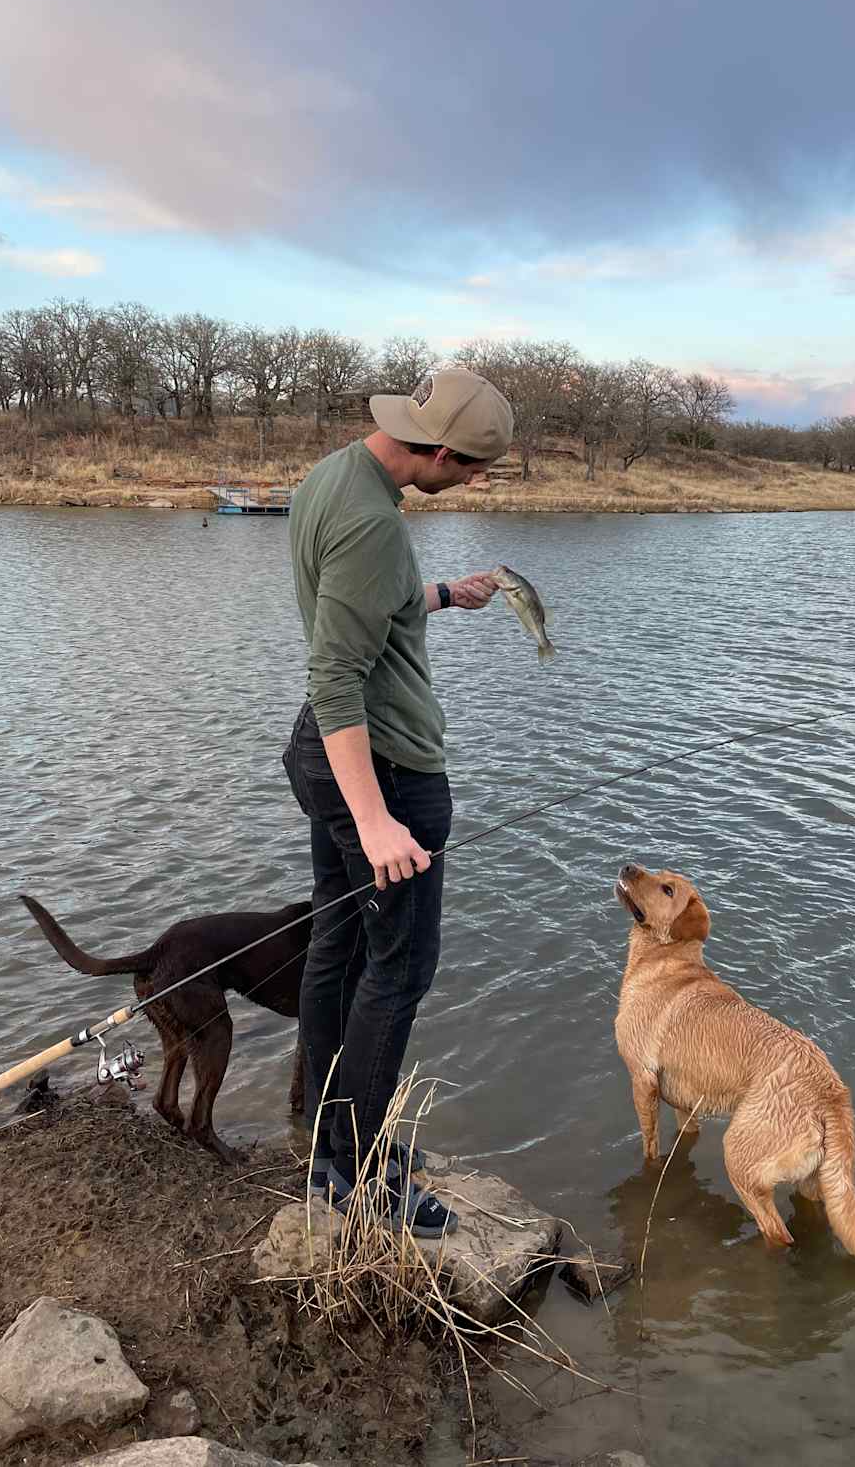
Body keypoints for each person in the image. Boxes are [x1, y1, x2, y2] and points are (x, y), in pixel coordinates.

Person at [282, 365, 514, 1236]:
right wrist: (377, 817)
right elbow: (335, 671)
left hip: (324, 756)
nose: (477, 483)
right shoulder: (376, 522)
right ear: (440, 448)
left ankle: (326, 1138)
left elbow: (360, 605)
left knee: (335, 947)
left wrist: (444, 595)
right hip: (381, 770)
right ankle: (357, 1171)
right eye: (474, 468)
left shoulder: (335, 475)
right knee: (401, 969)